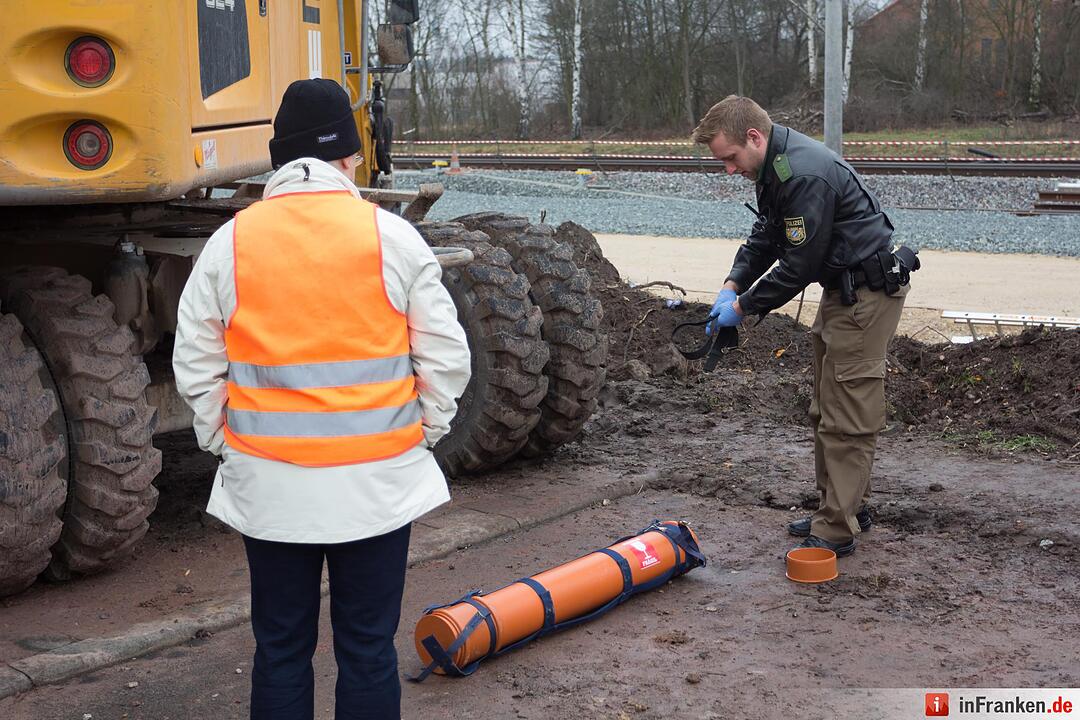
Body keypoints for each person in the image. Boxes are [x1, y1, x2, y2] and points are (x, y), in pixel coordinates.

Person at [173, 78, 471, 719]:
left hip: (271, 486)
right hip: (378, 485)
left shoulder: (230, 243)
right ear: (349, 155)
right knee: (367, 649)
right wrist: (425, 433)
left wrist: (224, 441)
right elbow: (447, 356)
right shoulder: (391, 238)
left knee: (280, 649)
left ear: (279, 157)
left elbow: (195, 364)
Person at [691, 95, 917, 558]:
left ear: (754, 137)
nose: (729, 171)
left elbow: (798, 264)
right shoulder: (774, 167)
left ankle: (837, 526)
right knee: (825, 408)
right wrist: (732, 285)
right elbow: (768, 236)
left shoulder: (803, 174)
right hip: (843, 293)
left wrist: (745, 308)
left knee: (846, 416)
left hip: (865, 296)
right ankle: (841, 507)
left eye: (730, 158)